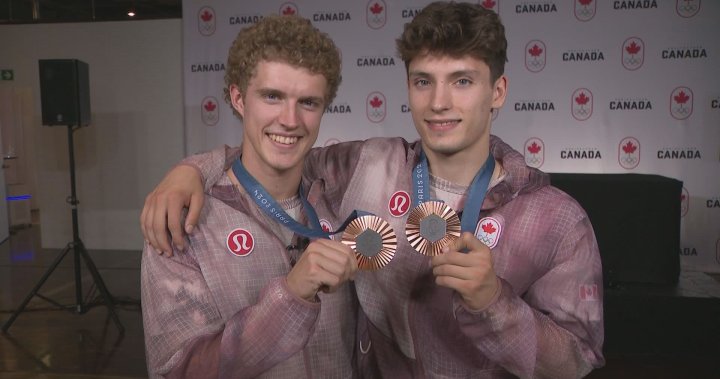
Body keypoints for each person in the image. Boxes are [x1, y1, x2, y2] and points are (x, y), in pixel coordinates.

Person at [142, 2, 605, 378]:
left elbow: (576, 362)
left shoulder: (556, 218)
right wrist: (190, 170)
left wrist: (494, 304)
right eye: (424, 82)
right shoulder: (367, 166)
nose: (439, 102)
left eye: (462, 81)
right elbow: (271, 159)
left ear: (498, 91)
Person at [140, 15, 359, 378]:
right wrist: (290, 297)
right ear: (239, 98)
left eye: (308, 102)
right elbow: (177, 371)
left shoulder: (340, 194)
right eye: (272, 97)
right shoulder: (182, 217)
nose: (290, 120)